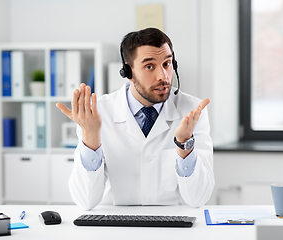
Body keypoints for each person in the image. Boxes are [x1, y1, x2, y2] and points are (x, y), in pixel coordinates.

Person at [56, 28, 214, 210]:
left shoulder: (193, 111)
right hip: (114, 223)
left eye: (167, 63)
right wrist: (91, 138)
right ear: (128, 72)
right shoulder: (97, 114)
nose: (163, 76)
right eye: (149, 66)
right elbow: (85, 201)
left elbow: (198, 198)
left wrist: (185, 144)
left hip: (172, 224)